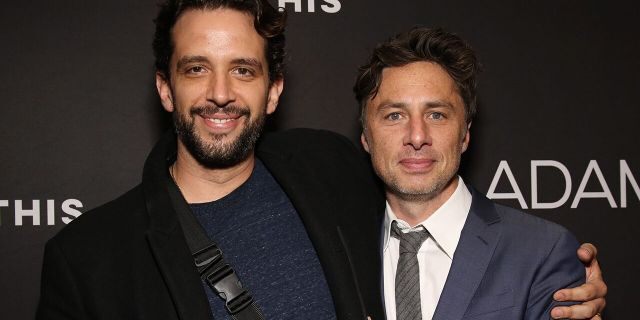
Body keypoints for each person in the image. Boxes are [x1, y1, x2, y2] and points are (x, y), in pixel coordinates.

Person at [36, 1, 605, 319]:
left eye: (243, 69)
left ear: (274, 90)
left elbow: (435, 211)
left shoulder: (329, 171)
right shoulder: (90, 258)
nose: (219, 93)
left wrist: (559, 281)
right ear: (165, 88)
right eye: (194, 69)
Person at [354, 27, 606, 320]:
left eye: (437, 114)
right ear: (366, 137)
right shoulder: (339, 252)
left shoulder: (541, 252)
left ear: (465, 134)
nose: (417, 136)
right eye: (394, 115)